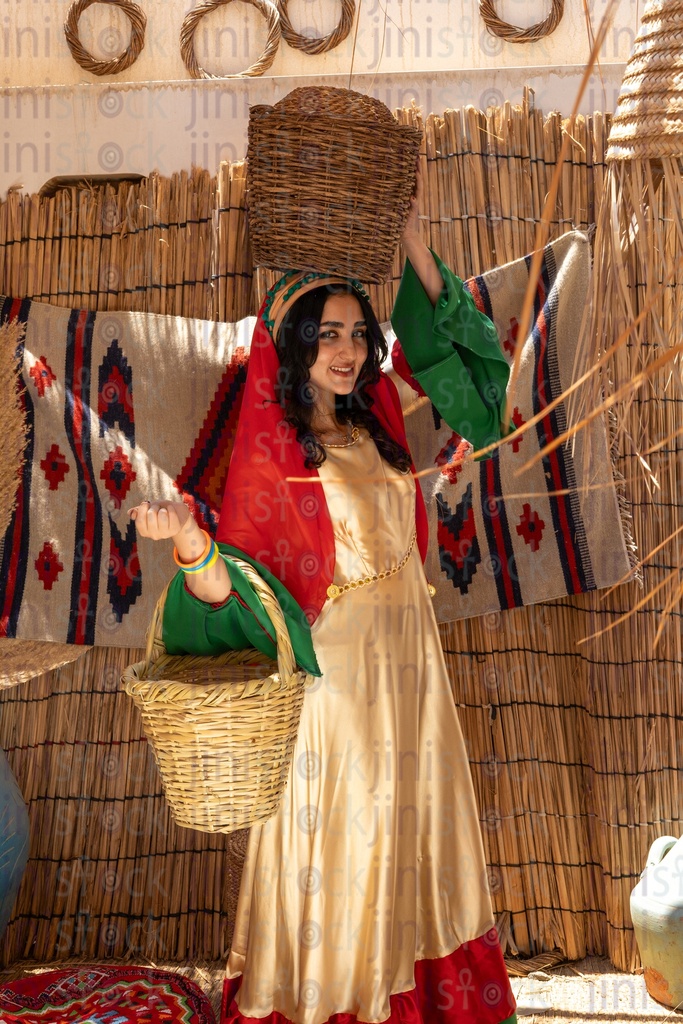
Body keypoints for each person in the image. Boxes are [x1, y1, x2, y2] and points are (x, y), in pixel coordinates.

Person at [129, 177, 516, 1024]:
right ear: (295, 344)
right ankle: (334, 1001)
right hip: (335, 681)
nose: (344, 349)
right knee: (346, 834)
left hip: (410, 667)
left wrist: (415, 247)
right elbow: (239, 594)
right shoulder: (271, 453)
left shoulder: (377, 416)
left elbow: (483, 404)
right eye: (325, 334)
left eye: (353, 333)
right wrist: (190, 544)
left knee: (414, 829)